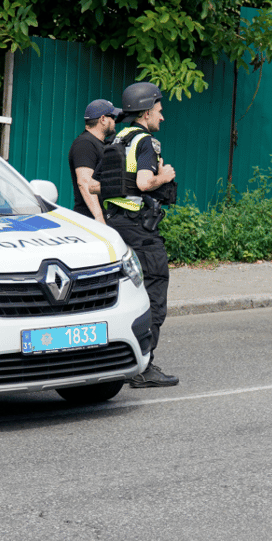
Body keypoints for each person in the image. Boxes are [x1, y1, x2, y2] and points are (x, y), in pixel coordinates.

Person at [103, 82, 179, 387]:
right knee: (154, 290)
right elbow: (145, 182)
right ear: (146, 112)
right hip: (140, 229)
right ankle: (144, 367)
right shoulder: (146, 142)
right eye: (159, 111)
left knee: (125, 293)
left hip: (116, 225)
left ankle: (122, 359)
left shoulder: (118, 138)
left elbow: (105, 183)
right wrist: (166, 175)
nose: (162, 117)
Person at [67, 99, 120, 224]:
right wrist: (99, 218)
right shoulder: (85, 144)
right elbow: (84, 182)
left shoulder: (99, 144)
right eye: (112, 117)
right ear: (103, 119)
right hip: (90, 221)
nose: (115, 121)